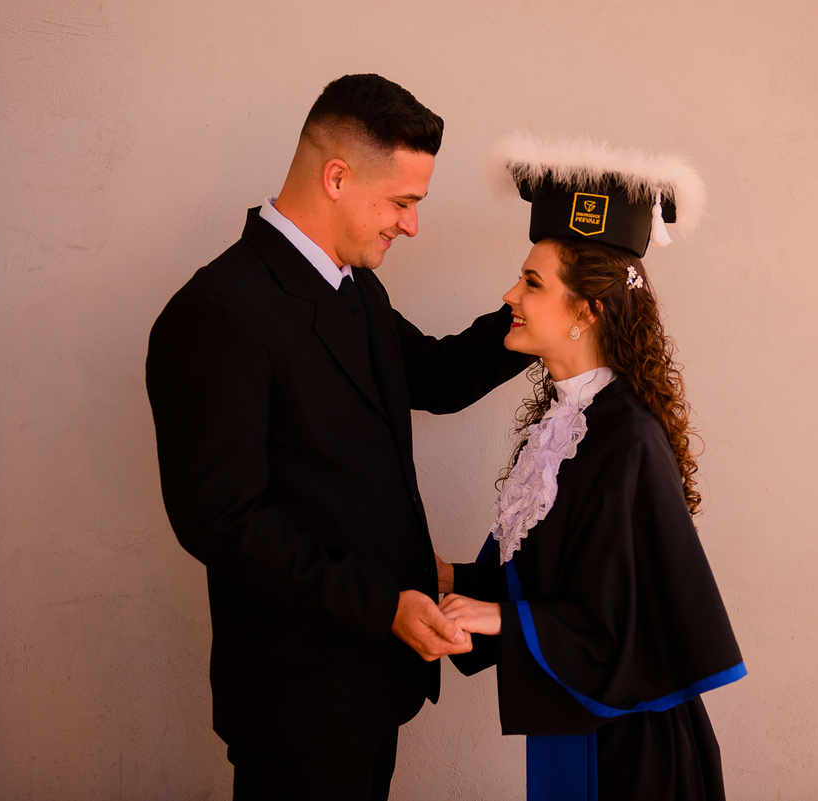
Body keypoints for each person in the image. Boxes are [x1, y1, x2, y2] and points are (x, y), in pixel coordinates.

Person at [144, 75, 528, 800]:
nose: (411, 226)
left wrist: (544, 308)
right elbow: (224, 522)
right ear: (337, 177)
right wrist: (384, 606)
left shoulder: (354, 285)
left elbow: (434, 376)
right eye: (402, 202)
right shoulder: (216, 314)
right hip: (300, 703)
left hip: (372, 685)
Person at [437, 134, 746, 801]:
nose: (509, 295)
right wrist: (450, 580)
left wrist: (500, 620)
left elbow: (620, 621)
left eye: (531, 282)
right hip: (578, 725)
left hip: (629, 748)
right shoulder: (566, 428)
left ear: (586, 311)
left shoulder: (626, 437)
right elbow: (548, 578)